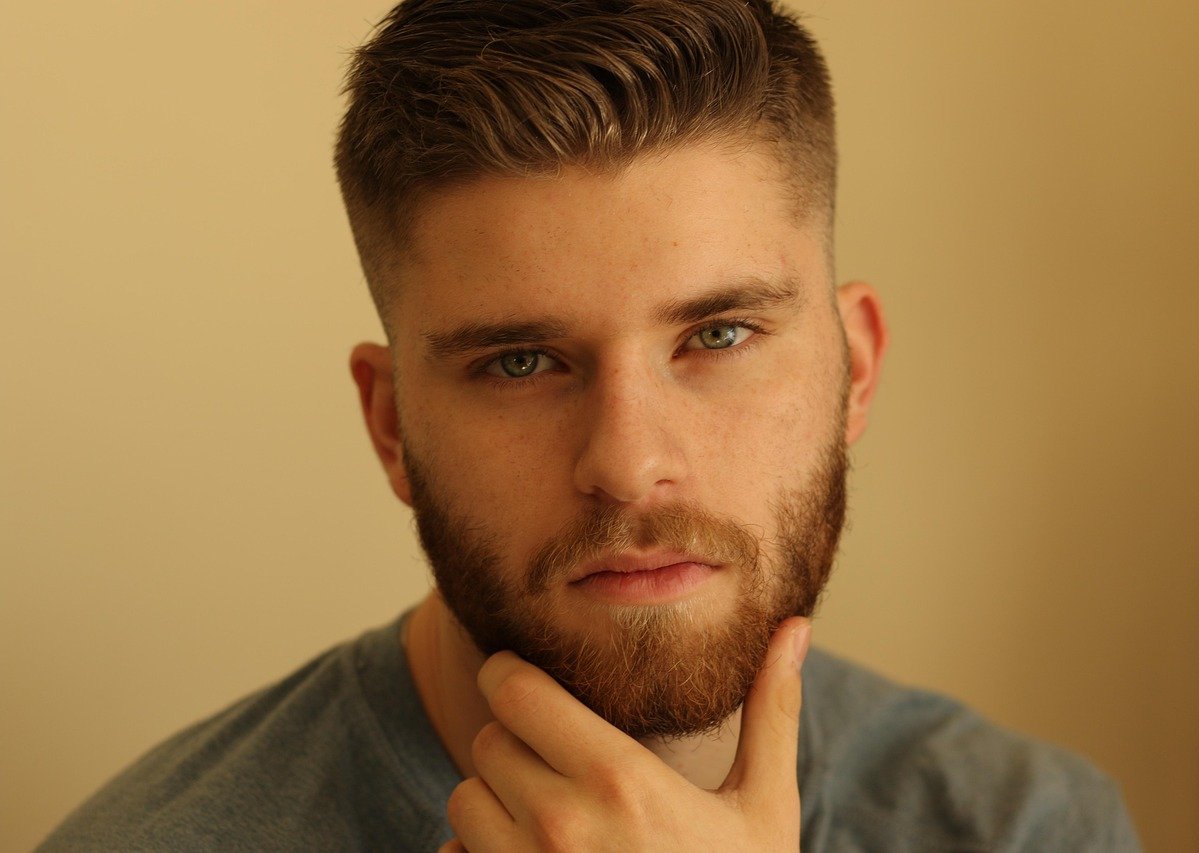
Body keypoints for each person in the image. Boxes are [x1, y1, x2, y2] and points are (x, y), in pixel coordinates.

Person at [40, 1, 1141, 850]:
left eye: (715, 336)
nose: (627, 463)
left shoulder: (1021, 827)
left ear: (853, 367)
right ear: (389, 427)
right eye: (519, 362)